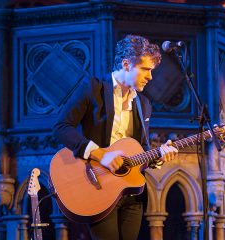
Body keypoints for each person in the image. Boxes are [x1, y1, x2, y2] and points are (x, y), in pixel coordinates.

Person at [53, 35, 178, 240]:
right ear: (127, 64)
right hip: (98, 186)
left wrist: (158, 156)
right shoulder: (93, 88)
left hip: (131, 193)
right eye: (145, 70)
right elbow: (61, 127)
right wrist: (100, 154)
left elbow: (141, 152)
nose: (150, 77)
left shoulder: (144, 104)